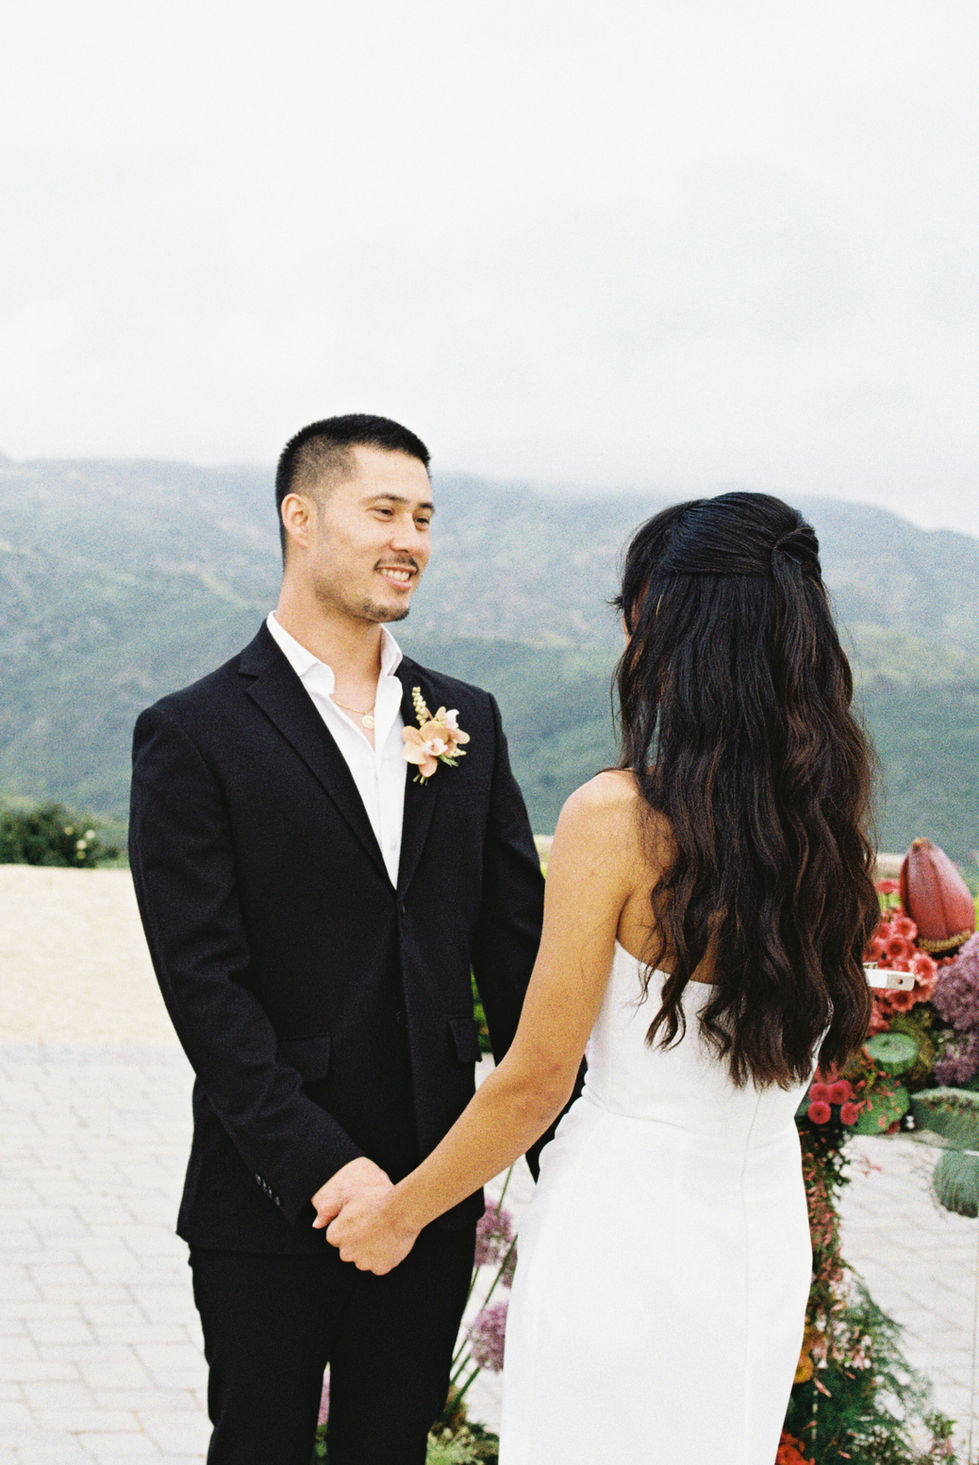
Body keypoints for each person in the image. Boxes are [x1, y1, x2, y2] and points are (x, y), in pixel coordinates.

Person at [319, 491, 879, 1463]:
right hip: (757, 1239)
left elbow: (536, 1077)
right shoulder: (825, 828)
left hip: (625, 1234)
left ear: (667, 627)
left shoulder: (615, 819)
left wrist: (398, 1212)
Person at [128, 414, 547, 1465]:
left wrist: (566, 1147)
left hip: (434, 1189)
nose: (410, 537)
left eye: (424, 517)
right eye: (384, 511)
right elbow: (205, 990)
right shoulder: (194, 732)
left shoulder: (467, 720)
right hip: (267, 1197)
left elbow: (518, 954)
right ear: (300, 516)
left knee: (391, 1449)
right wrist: (332, 1171)